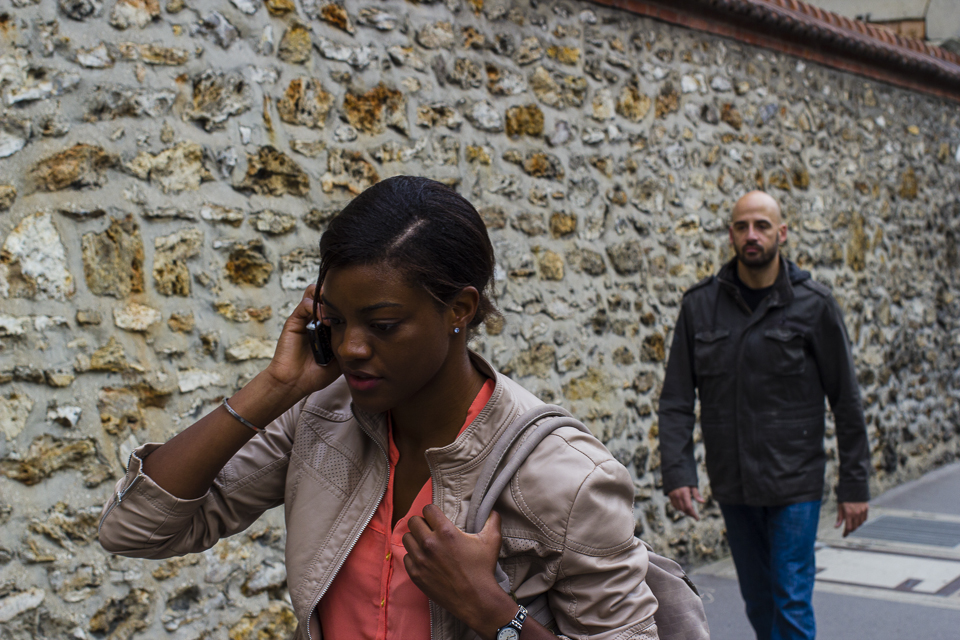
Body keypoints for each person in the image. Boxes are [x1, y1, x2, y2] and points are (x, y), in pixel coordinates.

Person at [99, 176, 661, 640]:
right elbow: (135, 530)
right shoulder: (319, 418)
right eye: (336, 322)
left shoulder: (568, 479)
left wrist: (493, 612)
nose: (350, 348)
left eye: (383, 325)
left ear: (459, 309)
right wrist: (275, 386)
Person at [657, 191, 870, 640]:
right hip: (734, 481)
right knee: (758, 599)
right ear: (731, 234)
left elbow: (846, 399)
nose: (751, 235)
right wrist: (679, 472)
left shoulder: (814, 305)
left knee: (790, 596)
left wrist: (855, 485)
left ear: (782, 233)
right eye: (742, 226)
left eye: (762, 226)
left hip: (796, 481)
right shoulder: (700, 306)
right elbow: (677, 397)